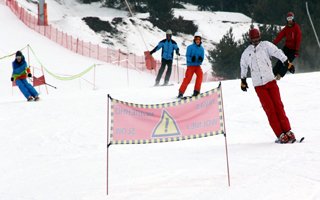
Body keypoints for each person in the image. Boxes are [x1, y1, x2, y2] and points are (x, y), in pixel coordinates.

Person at [240, 28, 296, 143]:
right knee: (270, 110)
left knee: (278, 106)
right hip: (259, 86)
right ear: (250, 39)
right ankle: (280, 134)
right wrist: (243, 80)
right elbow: (243, 66)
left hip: (270, 81)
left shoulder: (266, 46)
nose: (255, 41)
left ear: (259, 37)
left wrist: (287, 63)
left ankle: (288, 131)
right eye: (253, 39)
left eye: (257, 38)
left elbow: (278, 52)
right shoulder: (246, 53)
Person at [273, 11, 302, 79]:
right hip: (286, 48)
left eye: (291, 18)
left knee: (287, 63)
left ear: (293, 18)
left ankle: (280, 75)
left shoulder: (296, 28)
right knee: (281, 59)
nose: (290, 20)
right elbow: (279, 36)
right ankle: (273, 73)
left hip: (293, 50)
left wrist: (297, 50)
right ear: (287, 19)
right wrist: (273, 44)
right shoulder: (286, 28)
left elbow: (298, 39)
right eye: (288, 18)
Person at [178, 32, 205, 98]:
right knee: (188, 78)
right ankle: (181, 92)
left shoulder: (202, 49)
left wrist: (200, 59)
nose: (198, 41)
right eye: (197, 39)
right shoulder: (190, 47)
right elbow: (187, 56)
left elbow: (202, 57)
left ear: (200, 40)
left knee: (200, 75)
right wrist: (191, 59)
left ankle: (196, 91)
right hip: (191, 66)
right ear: (194, 39)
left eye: (199, 39)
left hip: (197, 66)